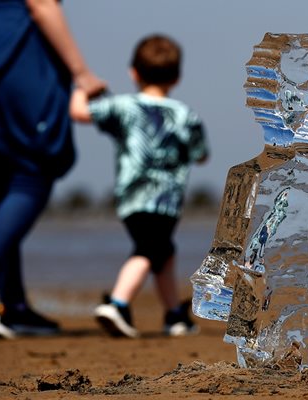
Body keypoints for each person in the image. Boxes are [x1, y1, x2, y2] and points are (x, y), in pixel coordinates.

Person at [0, 0, 105, 338]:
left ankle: (11, 307)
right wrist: (82, 74)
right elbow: (41, 4)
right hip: (13, 56)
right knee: (35, 174)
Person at [70, 34, 209, 338]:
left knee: (163, 251)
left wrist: (82, 89)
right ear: (176, 77)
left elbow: (79, 113)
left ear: (133, 72)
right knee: (149, 250)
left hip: (131, 198)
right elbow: (201, 155)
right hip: (166, 201)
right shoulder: (186, 115)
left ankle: (174, 315)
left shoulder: (122, 106)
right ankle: (119, 304)